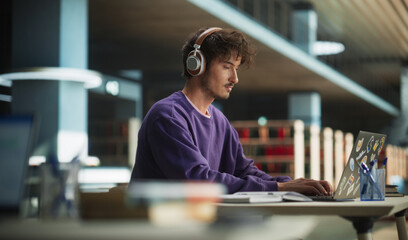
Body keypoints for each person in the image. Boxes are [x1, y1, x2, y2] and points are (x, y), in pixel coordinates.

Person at [130, 27, 332, 195]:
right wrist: (277, 187)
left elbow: (243, 171)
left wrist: (292, 184)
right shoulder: (167, 116)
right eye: (227, 67)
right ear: (197, 65)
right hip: (159, 228)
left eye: (236, 68)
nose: (235, 78)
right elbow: (197, 179)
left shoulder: (219, 120)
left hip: (194, 224)